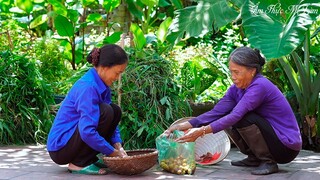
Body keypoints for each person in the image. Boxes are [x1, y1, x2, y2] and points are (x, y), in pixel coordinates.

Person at [163, 46, 302, 175]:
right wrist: (184, 126)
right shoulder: (237, 88)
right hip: (273, 140)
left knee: (241, 117)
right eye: (231, 72)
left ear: (252, 71)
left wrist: (201, 131)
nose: (232, 76)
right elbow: (216, 112)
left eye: (236, 72)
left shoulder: (260, 85)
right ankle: (254, 157)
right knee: (226, 116)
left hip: (286, 147)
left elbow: (236, 115)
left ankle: (268, 162)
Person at [47, 44, 129, 175]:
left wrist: (117, 145)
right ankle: (78, 164)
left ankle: (87, 159)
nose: (118, 78)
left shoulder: (102, 85)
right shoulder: (88, 87)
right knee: (106, 111)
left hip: (73, 141)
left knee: (115, 110)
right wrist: (112, 153)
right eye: (117, 72)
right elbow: (87, 131)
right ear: (104, 67)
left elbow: (110, 123)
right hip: (61, 149)